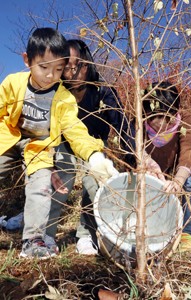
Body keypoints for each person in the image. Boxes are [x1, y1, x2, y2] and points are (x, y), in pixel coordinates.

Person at [0, 28, 118, 259]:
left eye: (58, 69)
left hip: (38, 146)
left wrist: (94, 156)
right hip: (8, 137)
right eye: (43, 67)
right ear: (27, 60)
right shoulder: (14, 83)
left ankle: (34, 240)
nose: (49, 76)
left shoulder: (63, 97)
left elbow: (74, 128)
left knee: (41, 184)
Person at [45, 39, 137, 255]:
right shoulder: (56, 93)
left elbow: (122, 126)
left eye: (78, 65)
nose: (72, 72)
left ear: (87, 64)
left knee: (94, 181)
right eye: (66, 67)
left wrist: (135, 157)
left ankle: (86, 234)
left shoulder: (104, 92)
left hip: (95, 144)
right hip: (64, 143)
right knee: (61, 178)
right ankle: (45, 233)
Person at [142, 81, 191, 252]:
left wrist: (178, 180)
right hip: (151, 172)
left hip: (177, 170)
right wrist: (146, 162)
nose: (160, 124)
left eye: (167, 117)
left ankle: (188, 233)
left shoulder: (185, 118)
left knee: (189, 181)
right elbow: (131, 147)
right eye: (155, 117)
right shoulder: (138, 120)